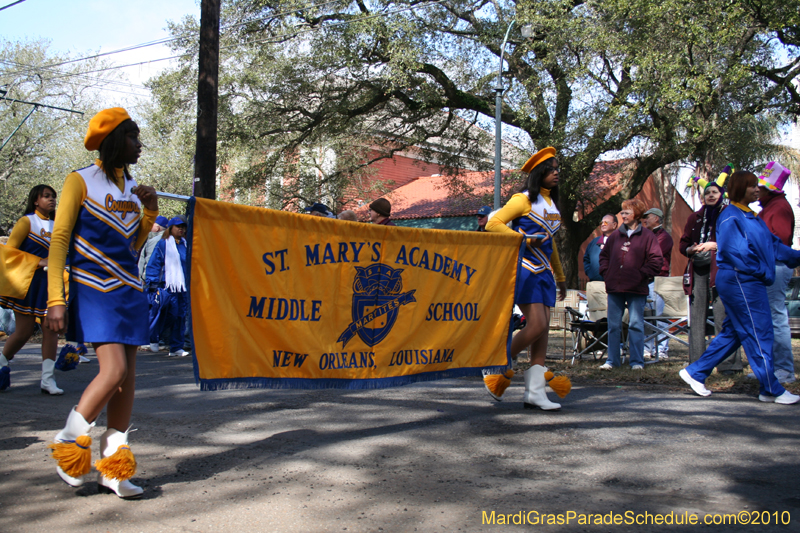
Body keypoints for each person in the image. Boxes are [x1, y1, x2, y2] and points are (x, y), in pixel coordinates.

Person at [46, 107, 159, 499]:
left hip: (129, 290)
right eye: (133, 138)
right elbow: (60, 239)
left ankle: (114, 469)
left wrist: (150, 212)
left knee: (127, 380)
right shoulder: (80, 180)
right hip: (95, 288)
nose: (139, 145)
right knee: (112, 372)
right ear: (115, 140)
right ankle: (68, 444)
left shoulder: (132, 186)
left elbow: (133, 246)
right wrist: (55, 299)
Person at [679, 171, 800, 405]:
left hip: (746, 280)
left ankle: (695, 372)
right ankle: (771, 388)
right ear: (738, 189)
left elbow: (774, 247)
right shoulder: (731, 216)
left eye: (757, 186)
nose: (757, 190)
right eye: (752, 186)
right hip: (741, 280)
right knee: (759, 331)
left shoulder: (751, 216)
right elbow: (737, 254)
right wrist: (762, 271)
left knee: (734, 332)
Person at [483, 146, 567, 410]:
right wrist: (524, 239)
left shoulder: (553, 204)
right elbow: (492, 224)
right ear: (538, 173)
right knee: (537, 325)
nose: (556, 173)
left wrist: (561, 277)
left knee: (543, 333)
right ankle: (494, 363)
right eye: (551, 169)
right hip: (525, 270)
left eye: (557, 169)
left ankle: (535, 392)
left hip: (545, 274)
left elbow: (550, 245)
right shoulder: (523, 200)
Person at [0, 184, 63, 394]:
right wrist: (39, 262)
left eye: (53, 196)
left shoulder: (60, 224)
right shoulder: (26, 222)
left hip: (52, 284)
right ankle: (1, 361)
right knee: (24, 331)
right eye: (46, 196)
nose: (51, 200)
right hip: (29, 283)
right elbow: (8, 254)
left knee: (50, 329)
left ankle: (48, 379)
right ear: (35, 200)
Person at [679, 182, 741, 372]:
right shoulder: (695, 217)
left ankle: (729, 365)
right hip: (698, 269)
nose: (711, 195)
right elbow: (683, 244)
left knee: (724, 317)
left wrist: (715, 245)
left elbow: (737, 242)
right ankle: (696, 364)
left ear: (721, 195)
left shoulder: (729, 214)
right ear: (702, 197)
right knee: (697, 318)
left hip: (721, 270)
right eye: (707, 193)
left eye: (715, 192)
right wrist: (691, 249)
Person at [598, 198, 663, 370]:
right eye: (622, 212)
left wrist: (641, 274)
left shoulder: (648, 236)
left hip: (637, 288)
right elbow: (603, 256)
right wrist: (607, 272)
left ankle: (636, 361)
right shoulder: (614, 236)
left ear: (637, 214)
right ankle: (612, 360)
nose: (623, 215)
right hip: (615, 287)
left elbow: (656, 260)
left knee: (635, 325)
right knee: (613, 326)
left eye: (627, 212)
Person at [755, 163, 795, 384]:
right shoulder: (770, 207)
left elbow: (777, 242)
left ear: (770, 189)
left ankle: (784, 370)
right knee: (768, 318)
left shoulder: (778, 207)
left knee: (776, 317)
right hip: (768, 266)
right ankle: (770, 367)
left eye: (760, 187)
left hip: (775, 266)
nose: (756, 191)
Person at [145, 216, 190, 357]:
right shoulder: (163, 244)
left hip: (182, 287)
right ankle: (153, 338)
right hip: (166, 286)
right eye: (178, 226)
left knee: (180, 316)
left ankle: (176, 346)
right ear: (171, 228)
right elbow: (154, 263)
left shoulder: (185, 244)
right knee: (168, 314)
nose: (181, 229)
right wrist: (152, 283)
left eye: (183, 226)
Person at [641, 207, 673, 360]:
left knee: (659, 317)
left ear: (657, 218)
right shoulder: (646, 235)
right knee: (647, 316)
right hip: (646, 280)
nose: (645, 220)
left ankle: (661, 350)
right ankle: (647, 349)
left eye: (648, 217)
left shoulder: (664, 237)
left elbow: (653, 255)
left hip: (658, 280)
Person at [583, 214, 618, 282]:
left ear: (614, 225)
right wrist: (590, 273)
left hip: (615, 284)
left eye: (606, 222)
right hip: (596, 284)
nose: (603, 225)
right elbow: (586, 259)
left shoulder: (621, 241)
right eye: (601, 222)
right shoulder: (594, 242)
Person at [138, 215, 169, 281]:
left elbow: (150, 261)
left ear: (157, 228)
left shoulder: (155, 241)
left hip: (149, 281)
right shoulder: (167, 239)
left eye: (152, 225)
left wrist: (144, 279)